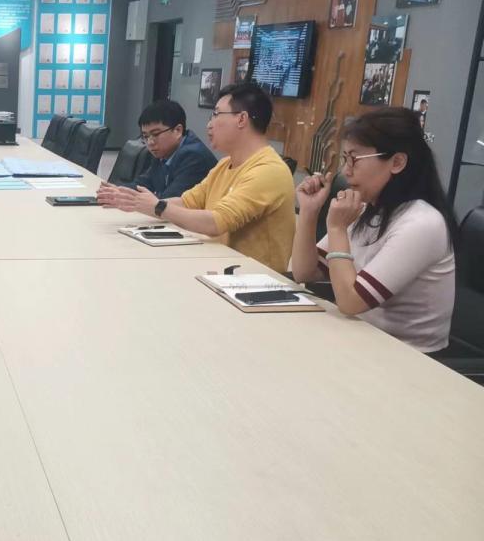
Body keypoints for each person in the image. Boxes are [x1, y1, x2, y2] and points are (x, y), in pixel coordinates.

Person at [291, 107, 456, 353]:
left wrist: (336, 228)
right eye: (345, 159)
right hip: (362, 339)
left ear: (397, 162)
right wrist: (309, 212)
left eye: (354, 159)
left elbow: (350, 302)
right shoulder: (370, 208)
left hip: (410, 357)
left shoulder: (422, 223)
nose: (346, 171)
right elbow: (304, 272)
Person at [101, 83, 295, 273]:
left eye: (216, 114)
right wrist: (136, 201)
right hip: (217, 268)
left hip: (252, 281)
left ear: (241, 119)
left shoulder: (268, 171)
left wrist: (158, 207)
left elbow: (216, 222)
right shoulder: (224, 165)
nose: (209, 124)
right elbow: (188, 202)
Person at [97, 99, 216, 197]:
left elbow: (169, 201)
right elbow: (144, 183)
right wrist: (117, 190)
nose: (150, 142)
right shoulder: (164, 152)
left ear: (178, 130)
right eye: (145, 136)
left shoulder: (194, 157)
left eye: (156, 134)